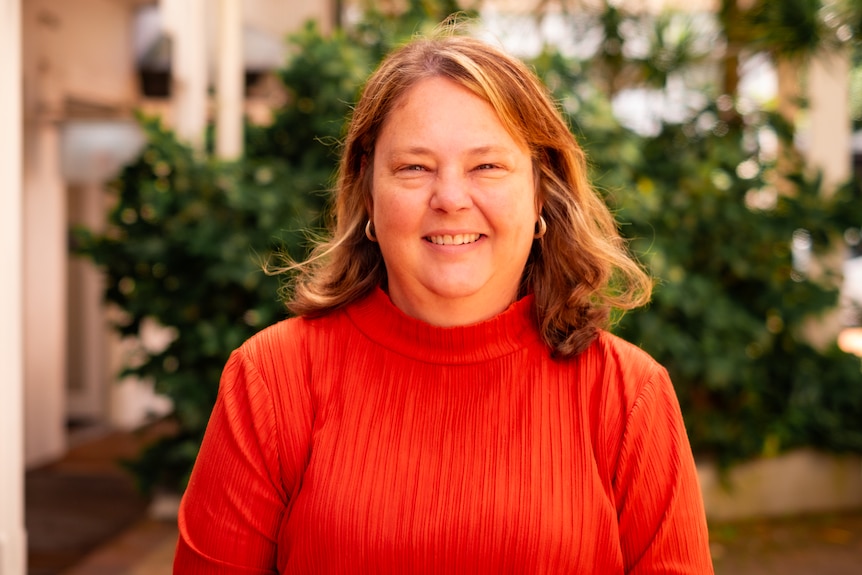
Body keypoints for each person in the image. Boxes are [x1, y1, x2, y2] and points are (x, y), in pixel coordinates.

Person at [173, 30, 714, 574]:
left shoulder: (628, 396)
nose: (451, 198)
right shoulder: (271, 380)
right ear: (367, 192)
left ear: (540, 192)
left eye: (487, 166)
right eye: (415, 167)